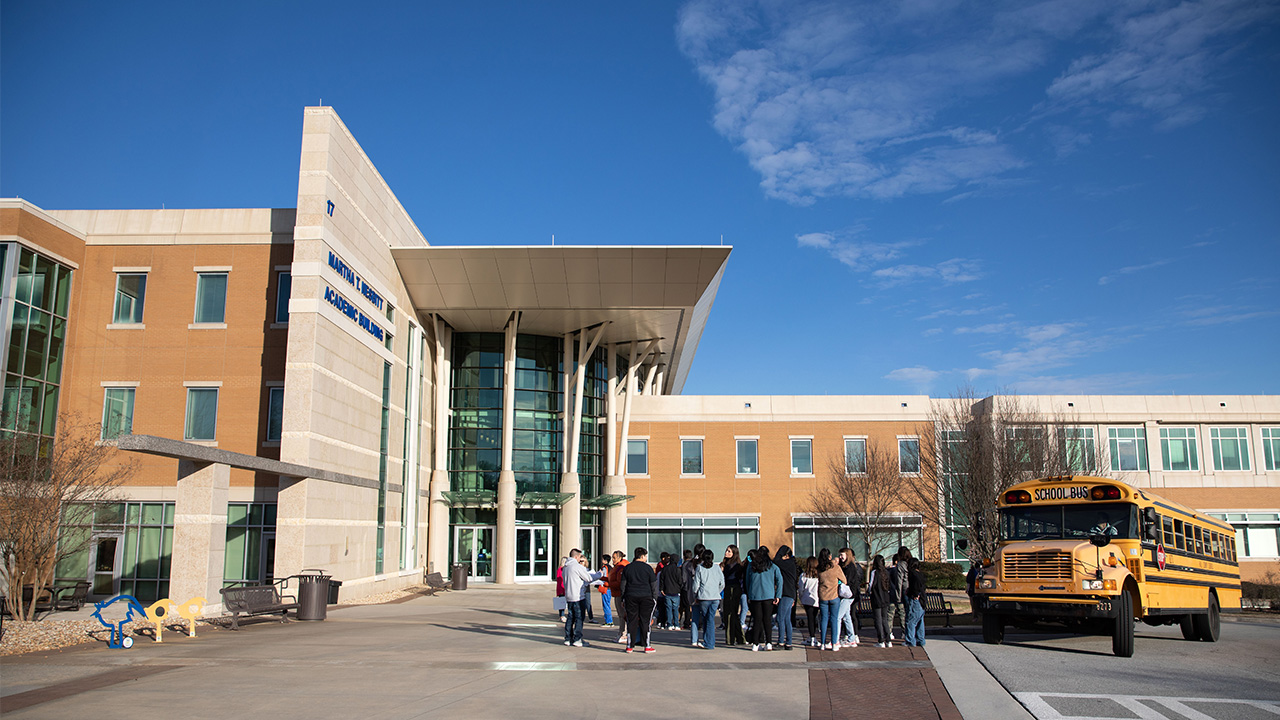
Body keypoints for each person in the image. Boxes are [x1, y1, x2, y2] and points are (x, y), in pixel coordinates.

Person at [561, 549, 605, 647]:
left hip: (569, 596)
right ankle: (577, 639)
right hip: (578, 596)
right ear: (576, 557)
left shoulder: (565, 567)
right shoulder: (577, 567)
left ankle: (568, 638)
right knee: (579, 618)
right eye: (580, 557)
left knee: (570, 618)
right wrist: (600, 574)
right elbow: (588, 578)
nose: (580, 559)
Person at [620, 546, 659, 653]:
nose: (646, 558)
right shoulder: (648, 568)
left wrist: (623, 598)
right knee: (645, 621)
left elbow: (623, 585)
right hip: (646, 597)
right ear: (642, 556)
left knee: (631, 621)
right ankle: (646, 645)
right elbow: (654, 585)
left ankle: (630, 646)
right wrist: (655, 598)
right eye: (645, 556)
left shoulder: (627, 568)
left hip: (630, 596)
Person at [745, 545, 782, 652]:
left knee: (757, 620)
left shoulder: (752, 566)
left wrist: (749, 594)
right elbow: (780, 580)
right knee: (767, 620)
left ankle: (755, 643)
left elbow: (747, 581)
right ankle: (769, 642)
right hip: (768, 596)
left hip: (755, 596)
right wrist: (778, 595)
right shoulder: (772, 566)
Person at [690, 549, 725, 649]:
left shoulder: (699, 568)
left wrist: (695, 594)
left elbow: (696, 584)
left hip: (704, 597)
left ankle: (709, 642)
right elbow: (722, 583)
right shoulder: (717, 568)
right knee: (710, 619)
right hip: (715, 597)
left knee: (707, 619)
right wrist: (717, 591)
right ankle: (709, 641)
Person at [816, 548, 844, 650]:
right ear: (829, 556)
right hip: (834, 596)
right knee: (834, 620)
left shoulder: (819, 569)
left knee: (824, 619)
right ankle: (833, 643)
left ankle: (822, 643)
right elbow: (844, 580)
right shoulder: (835, 568)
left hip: (823, 596)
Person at [773, 545, 799, 650]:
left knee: (780, 618)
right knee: (787, 619)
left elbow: (776, 561)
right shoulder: (791, 564)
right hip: (790, 594)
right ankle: (788, 643)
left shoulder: (788, 563)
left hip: (786, 594)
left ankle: (781, 642)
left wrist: (780, 552)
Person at [721, 545, 746, 646]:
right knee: (732, 614)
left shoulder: (733, 565)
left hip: (732, 589)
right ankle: (739, 638)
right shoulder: (728, 563)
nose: (727, 553)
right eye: (727, 551)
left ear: (734, 553)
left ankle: (731, 638)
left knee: (730, 614)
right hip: (730, 588)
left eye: (729, 551)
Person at [867, 554, 894, 648]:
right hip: (885, 598)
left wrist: (868, 591)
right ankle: (888, 640)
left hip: (876, 598)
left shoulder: (874, 572)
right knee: (884, 619)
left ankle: (881, 640)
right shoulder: (886, 572)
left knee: (878, 619)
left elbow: (871, 585)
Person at [837, 547, 862, 647]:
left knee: (838, 617)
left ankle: (836, 639)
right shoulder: (849, 566)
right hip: (849, 594)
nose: (840, 557)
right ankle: (851, 638)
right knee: (847, 617)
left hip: (848, 594)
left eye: (842, 555)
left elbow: (848, 581)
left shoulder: (850, 567)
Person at [889, 546, 911, 643]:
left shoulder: (900, 565)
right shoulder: (911, 563)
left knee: (898, 613)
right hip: (911, 590)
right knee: (907, 613)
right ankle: (907, 633)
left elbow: (899, 581)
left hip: (903, 591)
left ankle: (903, 634)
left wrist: (898, 595)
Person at [903, 557, 927, 647]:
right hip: (922, 600)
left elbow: (915, 586)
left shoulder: (912, 574)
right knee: (920, 621)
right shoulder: (920, 574)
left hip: (915, 599)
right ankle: (921, 640)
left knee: (911, 621)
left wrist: (914, 594)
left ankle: (910, 641)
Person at [683, 543, 705, 637]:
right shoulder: (705, 564)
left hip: (691, 591)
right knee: (704, 613)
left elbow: (684, 579)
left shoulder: (687, 564)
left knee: (694, 613)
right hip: (704, 592)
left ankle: (694, 638)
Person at [659, 550, 684, 632]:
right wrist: (680, 588)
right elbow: (680, 581)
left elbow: (661, 579)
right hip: (676, 592)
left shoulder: (665, 569)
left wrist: (661, 589)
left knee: (668, 609)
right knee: (675, 609)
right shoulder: (678, 570)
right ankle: (676, 624)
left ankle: (669, 624)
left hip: (667, 591)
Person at [608, 551, 630, 644]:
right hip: (617, 593)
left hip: (620, 594)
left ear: (619, 558)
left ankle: (623, 633)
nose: (612, 560)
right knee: (621, 615)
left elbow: (620, 583)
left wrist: (608, 584)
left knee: (622, 615)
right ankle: (622, 632)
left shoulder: (621, 567)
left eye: (614, 558)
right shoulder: (617, 567)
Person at [799, 556, 820, 647]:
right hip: (816, 599)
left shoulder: (804, 576)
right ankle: (813, 636)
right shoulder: (819, 576)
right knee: (814, 618)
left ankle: (812, 637)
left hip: (807, 599)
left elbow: (801, 589)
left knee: (810, 618)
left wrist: (801, 597)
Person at [598, 558, 614, 627]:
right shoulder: (611, 567)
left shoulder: (605, 567)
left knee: (606, 605)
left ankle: (609, 621)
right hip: (609, 588)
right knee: (607, 604)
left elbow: (604, 576)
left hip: (605, 587)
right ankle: (608, 620)